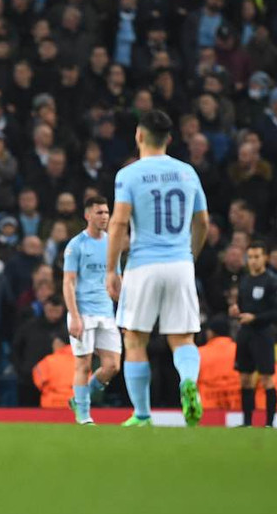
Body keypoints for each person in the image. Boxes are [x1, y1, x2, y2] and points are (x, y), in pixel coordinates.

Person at [106, 110, 210, 427]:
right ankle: (188, 381)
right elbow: (203, 222)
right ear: (169, 139)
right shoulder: (187, 172)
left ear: (139, 135)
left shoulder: (129, 175)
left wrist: (111, 269)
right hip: (180, 264)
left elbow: (119, 222)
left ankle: (142, 415)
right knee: (183, 339)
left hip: (143, 266)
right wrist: (190, 256)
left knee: (135, 340)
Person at [63, 196, 121, 425]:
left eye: (106, 212)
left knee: (112, 366)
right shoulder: (76, 245)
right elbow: (68, 282)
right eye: (99, 212)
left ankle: (79, 399)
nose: (104, 216)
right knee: (84, 365)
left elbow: (116, 278)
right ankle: (84, 415)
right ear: (88, 215)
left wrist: (125, 307)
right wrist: (75, 317)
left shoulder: (112, 243)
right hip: (83, 312)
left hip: (106, 312)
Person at [229, 242, 277, 427]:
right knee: (245, 379)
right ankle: (247, 423)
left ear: (265, 258)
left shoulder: (272, 282)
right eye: (250, 257)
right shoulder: (244, 281)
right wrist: (236, 310)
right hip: (245, 334)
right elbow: (241, 305)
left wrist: (255, 318)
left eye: (257, 257)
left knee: (266, 378)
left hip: (263, 334)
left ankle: (269, 423)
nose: (253, 261)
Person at [197, 315, 241, 410]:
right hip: (237, 406)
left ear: (211, 332)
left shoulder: (199, 353)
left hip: (208, 407)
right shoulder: (240, 351)